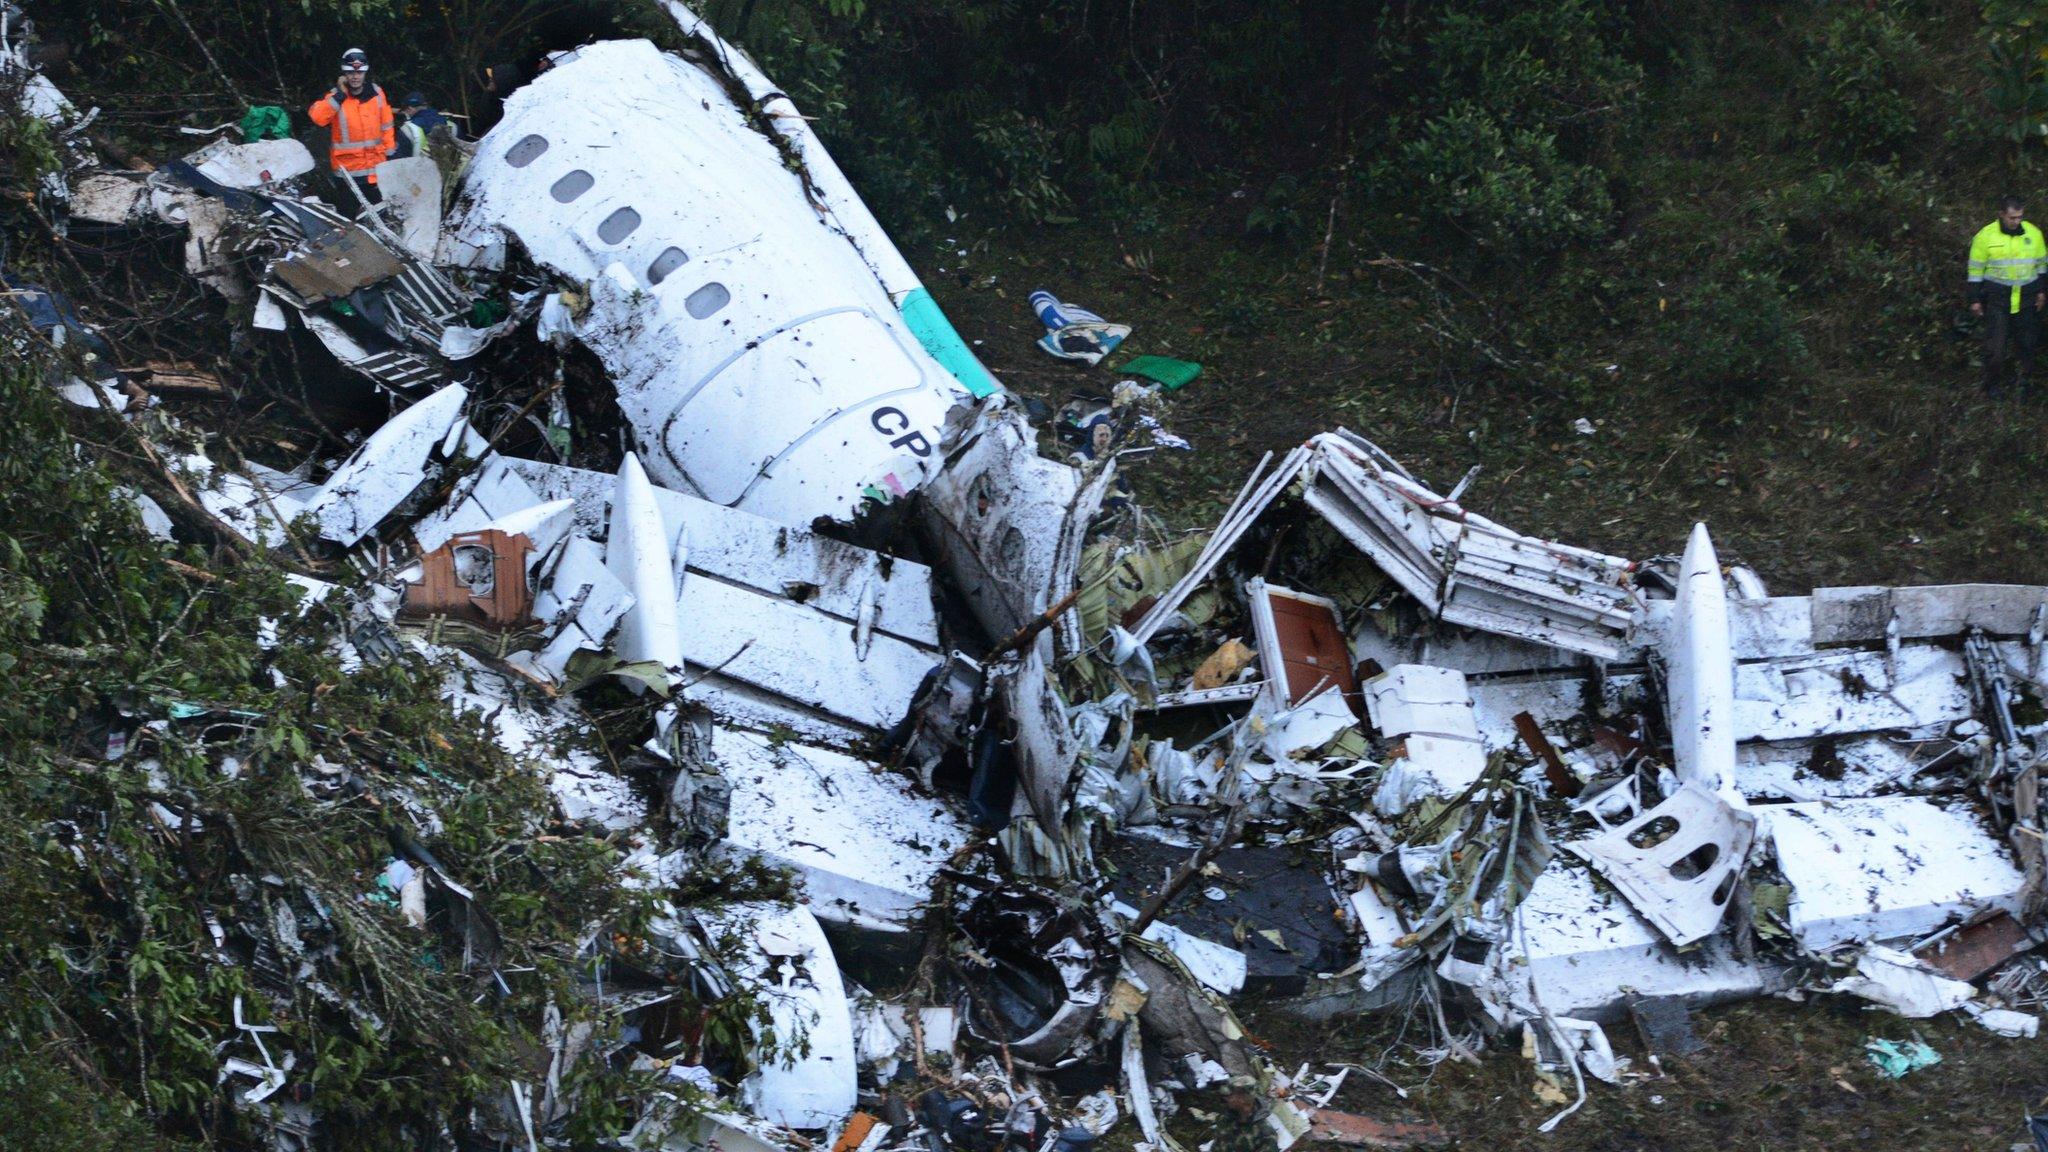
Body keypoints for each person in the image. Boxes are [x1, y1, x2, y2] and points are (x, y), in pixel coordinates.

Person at [1967, 195, 2047, 399]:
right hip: (1998, 300)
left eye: (2020, 217)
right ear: (2001, 215)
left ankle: (2024, 386)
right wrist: (1974, 299)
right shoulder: (1985, 237)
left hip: (2027, 300)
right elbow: (1975, 271)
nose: (2017, 221)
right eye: (2012, 217)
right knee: (1995, 348)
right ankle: (1992, 386)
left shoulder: (2034, 234)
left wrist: (2042, 292)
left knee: (2028, 345)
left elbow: (2041, 267)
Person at [308, 48, 395, 209]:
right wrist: (340, 96)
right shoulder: (335, 97)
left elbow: (387, 126)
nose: (355, 76)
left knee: (382, 216)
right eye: (350, 73)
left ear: (365, 73)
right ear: (344, 74)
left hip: (376, 171)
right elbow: (317, 117)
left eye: (359, 72)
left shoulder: (377, 94)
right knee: (351, 219)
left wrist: (390, 156)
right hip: (348, 174)